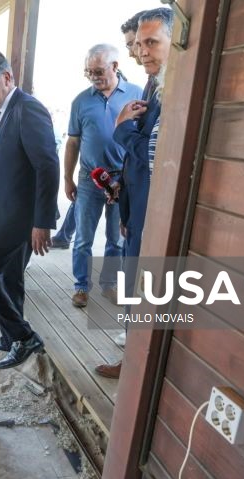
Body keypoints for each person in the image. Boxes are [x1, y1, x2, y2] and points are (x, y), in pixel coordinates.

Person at [95, 8, 174, 379]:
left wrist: (122, 127)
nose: (141, 52)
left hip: (154, 216)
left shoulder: (175, 89)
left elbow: (156, 157)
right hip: (137, 210)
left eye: (150, 42)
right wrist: (124, 203)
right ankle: (132, 365)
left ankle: (138, 372)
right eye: (137, 44)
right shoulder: (154, 84)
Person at [0, 50, 59, 369]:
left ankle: (23, 336)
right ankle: (12, 340)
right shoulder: (1, 112)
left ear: (7, 77)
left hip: (18, 218)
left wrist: (42, 222)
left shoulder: (27, 108)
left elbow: (47, 165)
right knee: (11, 280)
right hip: (3, 214)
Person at [64, 44, 143, 309]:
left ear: (115, 66)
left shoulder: (136, 94)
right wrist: (67, 178)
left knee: (116, 238)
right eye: (88, 72)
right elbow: (73, 143)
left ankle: (109, 285)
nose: (93, 77)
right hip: (89, 179)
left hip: (123, 180)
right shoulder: (80, 101)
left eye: (98, 71)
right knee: (83, 238)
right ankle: (81, 286)